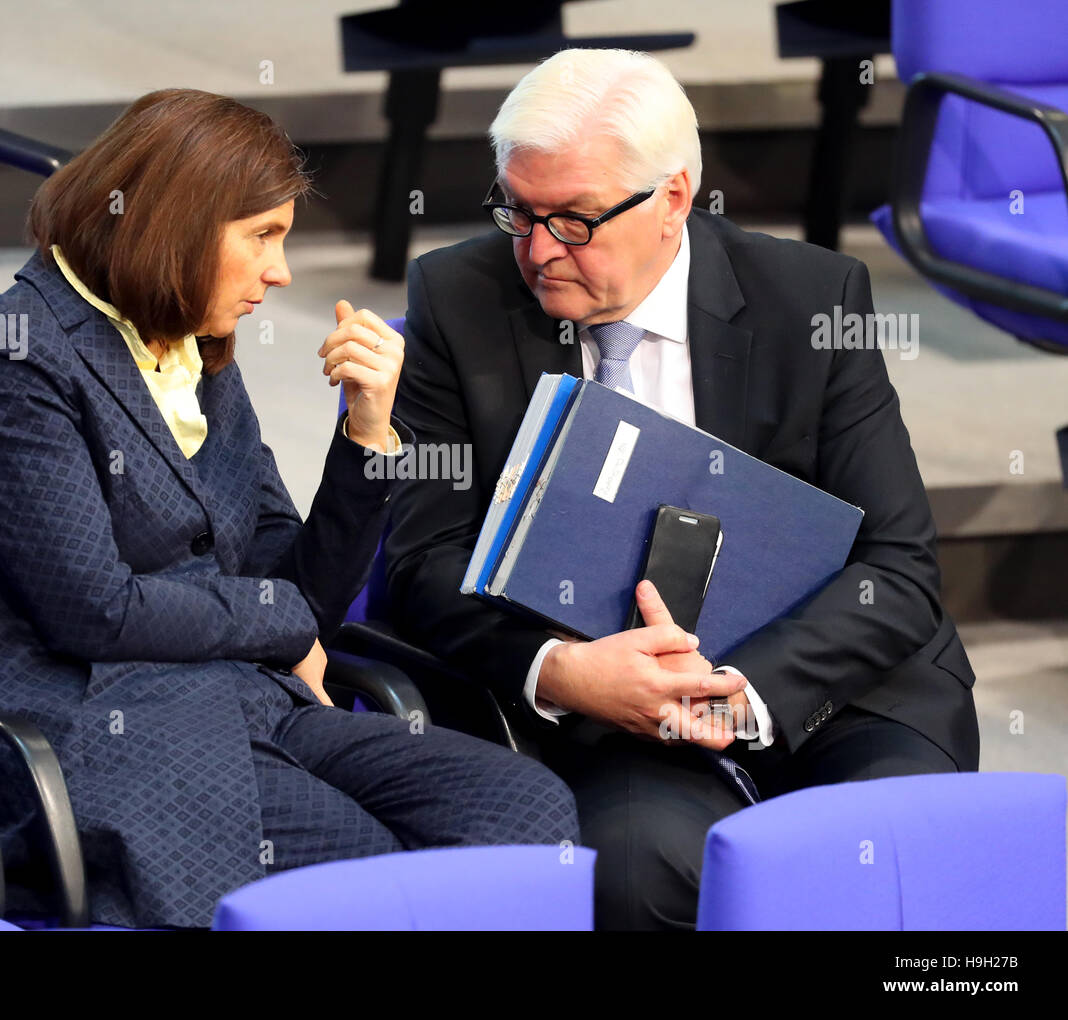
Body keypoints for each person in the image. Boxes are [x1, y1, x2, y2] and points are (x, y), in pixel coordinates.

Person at [0, 88, 579, 929]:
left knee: (521, 813)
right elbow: (98, 611)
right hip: (102, 734)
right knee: (374, 876)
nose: (282, 272)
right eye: (263, 236)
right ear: (177, 223)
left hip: (244, 703)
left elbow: (296, 582)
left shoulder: (195, 344)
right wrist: (281, 626)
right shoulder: (17, 358)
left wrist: (368, 435)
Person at [384, 49, 979, 930]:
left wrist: (739, 692)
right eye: (519, 211)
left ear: (673, 198)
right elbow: (421, 562)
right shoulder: (458, 297)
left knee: (891, 849)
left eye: (576, 220)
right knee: (632, 876)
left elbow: (896, 566)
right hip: (610, 717)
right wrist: (567, 673)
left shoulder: (811, 298)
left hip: (834, 687)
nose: (540, 249)